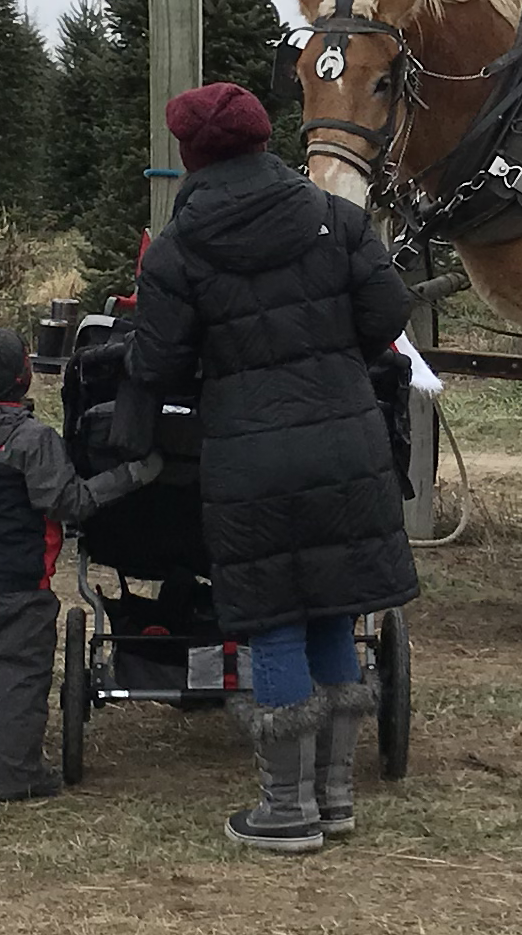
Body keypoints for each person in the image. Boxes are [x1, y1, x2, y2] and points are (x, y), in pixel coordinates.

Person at [119, 81, 417, 853]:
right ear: (264, 139)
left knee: (276, 619)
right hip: (346, 442)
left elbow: (156, 360)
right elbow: (387, 315)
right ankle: (335, 795)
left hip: (250, 452)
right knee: (332, 610)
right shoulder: (337, 219)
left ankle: (286, 809)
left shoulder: (180, 248)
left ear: (191, 155)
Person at [0, 305, 159, 801]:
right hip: (21, 585)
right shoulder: (32, 441)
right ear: (21, 379)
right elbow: (68, 501)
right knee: (18, 677)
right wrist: (130, 477)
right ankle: (15, 774)